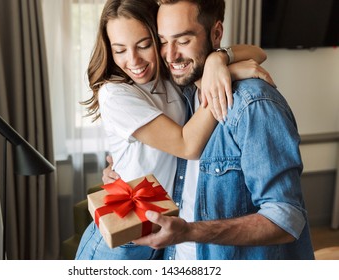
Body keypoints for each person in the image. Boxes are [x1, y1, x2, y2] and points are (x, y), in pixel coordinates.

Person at [76, 0, 274, 260]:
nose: (133, 60)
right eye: (120, 50)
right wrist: (230, 73)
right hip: (123, 240)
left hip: (163, 233)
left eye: (144, 45)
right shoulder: (115, 93)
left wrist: (218, 60)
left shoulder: (171, 76)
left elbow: (258, 52)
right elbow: (187, 145)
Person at [129, 0, 315, 260]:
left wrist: (191, 232)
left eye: (183, 41)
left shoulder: (253, 103)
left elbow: (286, 218)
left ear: (216, 33)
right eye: (162, 41)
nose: (170, 55)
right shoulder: (182, 94)